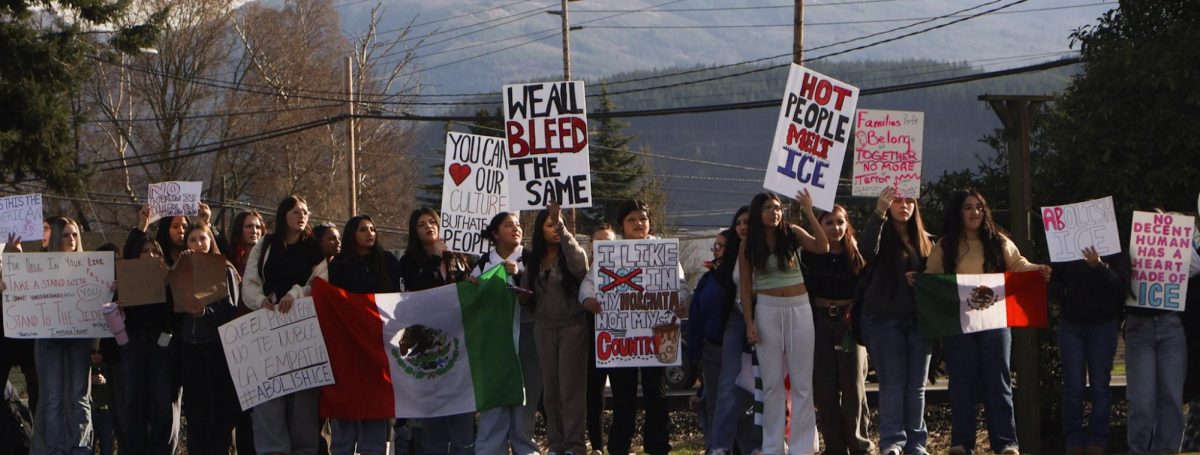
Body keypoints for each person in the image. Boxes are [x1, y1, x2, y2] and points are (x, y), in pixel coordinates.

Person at [922, 189, 1051, 455]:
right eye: (968, 207)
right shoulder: (945, 246)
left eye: (979, 207)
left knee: (998, 381)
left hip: (995, 322)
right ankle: (961, 443)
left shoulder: (998, 241)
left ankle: (1006, 444)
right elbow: (931, 277)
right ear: (959, 212)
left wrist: (1036, 270)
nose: (975, 212)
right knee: (961, 383)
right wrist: (919, 281)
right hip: (960, 324)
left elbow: (1017, 264)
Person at [580, 200, 689, 455]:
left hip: (658, 334)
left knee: (657, 395)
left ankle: (658, 447)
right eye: (632, 219)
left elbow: (681, 283)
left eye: (643, 218)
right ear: (622, 224)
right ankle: (619, 448)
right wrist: (589, 300)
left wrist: (683, 301)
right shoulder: (610, 253)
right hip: (621, 338)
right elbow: (588, 284)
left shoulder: (663, 251)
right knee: (623, 398)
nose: (639, 224)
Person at [738, 191, 828, 455]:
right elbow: (745, 287)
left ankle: (802, 448)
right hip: (767, 310)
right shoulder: (748, 244)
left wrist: (810, 211)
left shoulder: (792, 232)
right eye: (768, 208)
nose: (774, 212)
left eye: (777, 207)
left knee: (802, 382)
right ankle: (773, 447)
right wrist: (749, 323)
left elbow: (822, 246)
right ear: (757, 212)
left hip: (799, 308)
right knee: (772, 384)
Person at [243, 195, 326, 455]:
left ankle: (304, 450)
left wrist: (297, 294)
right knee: (269, 398)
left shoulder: (314, 248)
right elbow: (249, 282)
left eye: (305, 211)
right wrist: (260, 301)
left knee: (303, 401)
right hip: (269, 327)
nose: (301, 215)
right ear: (283, 215)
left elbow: (321, 282)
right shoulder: (266, 245)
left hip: (304, 329)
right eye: (295, 211)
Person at [859, 188, 934, 455]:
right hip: (883, 320)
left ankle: (916, 444)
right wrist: (879, 210)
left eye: (909, 201)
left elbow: (936, 277)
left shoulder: (925, 240)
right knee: (892, 384)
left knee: (916, 387)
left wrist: (922, 279)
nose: (904, 205)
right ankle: (892, 442)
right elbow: (864, 251)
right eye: (898, 201)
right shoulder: (881, 233)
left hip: (918, 322)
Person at [398, 207, 475, 455]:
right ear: (414, 231)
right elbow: (419, 291)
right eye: (422, 224)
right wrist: (434, 258)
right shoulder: (409, 261)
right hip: (428, 347)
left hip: (460, 345)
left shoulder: (459, 258)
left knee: (461, 411)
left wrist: (470, 282)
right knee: (434, 416)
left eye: (433, 221)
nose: (429, 226)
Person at [321, 215, 399, 455]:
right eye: (363, 229)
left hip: (378, 347)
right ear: (352, 234)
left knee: (375, 407)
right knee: (346, 406)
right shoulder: (339, 265)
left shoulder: (387, 261)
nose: (370, 233)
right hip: (348, 348)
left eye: (373, 229)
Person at [1124, 212, 1197, 454]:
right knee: (1142, 401)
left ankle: (1165, 450)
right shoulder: (1132, 251)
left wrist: (1179, 244)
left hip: (1171, 327)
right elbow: (1118, 278)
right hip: (1139, 328)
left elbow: (1196, 267)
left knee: (1171, 397)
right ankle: (1139, 449)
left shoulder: (1183, 249)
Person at [803, 204, 872, 455]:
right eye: (829, 223)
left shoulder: (856, 252)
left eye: (840, 222)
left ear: (848, 224)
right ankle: (834, 447)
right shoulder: (810, 254)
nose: (836, 228)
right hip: (819, 323)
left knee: (853, 386)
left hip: (849, 324)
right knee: (824, 388)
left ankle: (860, 445)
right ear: (819, 226)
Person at [522, 202, 589, 455]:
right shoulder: (534, 261)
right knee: (550, 393)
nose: (553, 230)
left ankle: (574, 446)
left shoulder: (571, 254)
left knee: (570, 391)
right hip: (543, 329)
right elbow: (528, 294)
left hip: (572, 328)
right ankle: (556, 444)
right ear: (540, 230)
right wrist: (522, 295)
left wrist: (561, 225)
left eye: (556, 226)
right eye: (549, 226)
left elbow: (580, 266)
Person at [1050, 242, 1129, 455]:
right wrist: (1064, 292)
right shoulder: (1065, 244)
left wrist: (1099, 266)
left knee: (1100, 387)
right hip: (1071, 325)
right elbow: (1053, 282)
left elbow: (1121, 288)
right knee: (1073, 386)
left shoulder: (1113, 245)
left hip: (1103, 325)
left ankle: (1097, 441)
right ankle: (1074, 441)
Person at [472, 212, 540, 455]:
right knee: (496, 398)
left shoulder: (532, 259)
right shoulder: (481, 264)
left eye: (518, 224)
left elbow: (542, 294)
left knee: (525, 397)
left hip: (528, 337)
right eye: (508, 225)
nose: (516, 229)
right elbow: (473, 302)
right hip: (494, 343)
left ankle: (525, 448)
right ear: (495, 233)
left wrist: (520, 276)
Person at [31, 217, 98, 455]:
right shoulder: (40, 266)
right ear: (57, 237)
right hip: (49, 336)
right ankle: (56, 449)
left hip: (80, 336)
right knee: (52, 397)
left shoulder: (91, 266)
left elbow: (97, 299)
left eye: (75, 235)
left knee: (79, 396)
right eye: (67, 235)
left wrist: (108, 288)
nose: (71, 239)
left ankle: (80, 448)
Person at [119, 205, 181, 455]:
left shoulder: (168, 280)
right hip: (134, 345)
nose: (149, 255)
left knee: (160, 404)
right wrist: (142, 226)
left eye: (154, 251)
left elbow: (176, 313)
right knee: (134, 402)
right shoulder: (128, 279)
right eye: (144, 251)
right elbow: (127, 250)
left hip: (160, 346)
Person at [175, 223, 242, 455]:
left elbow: (231, 311)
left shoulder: (224, 268)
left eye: (202, 239)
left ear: (210, 241)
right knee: (195, 409)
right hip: (189, 347)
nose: (198, 244)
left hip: (215, 348)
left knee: (218, 410)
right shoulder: (181, 270)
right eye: (192, 240)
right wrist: (176, 267)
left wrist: (207, 313)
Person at [709, 206, 762, 455]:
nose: (743, 226)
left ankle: (762, 444)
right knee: (728, 385)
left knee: (764, 384)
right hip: (735, 320)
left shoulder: (768, 249)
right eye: (739, 222)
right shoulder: (730, 255)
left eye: (748, 222)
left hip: (766, 318)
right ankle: (720, 446)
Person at [686, 229, 739, 452]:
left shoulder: (739, 278)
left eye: (721, 246)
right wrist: (695, 355)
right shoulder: (708, 279)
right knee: (714, 405)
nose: (716, 250)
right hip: (712, 351)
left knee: (738, 406)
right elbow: (696, 318)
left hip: (739, 351)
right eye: (714, 246)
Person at [585, 224, 616, 455]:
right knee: (594, 395)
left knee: (623, 395)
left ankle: (617, 444)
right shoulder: (584, 269)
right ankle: (597, 445)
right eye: (600, 242)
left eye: (609, 242)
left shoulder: (628, 264)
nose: (605, 246)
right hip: (593, 340)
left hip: (623, 342)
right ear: (591, 246)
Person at [225, 210, 265, 276]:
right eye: (249, 226)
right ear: (239, 229)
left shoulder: (267, 259)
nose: (254, 231)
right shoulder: (231, 261)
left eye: (258, 227)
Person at [90, 350, 114, 455]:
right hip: (91, 413)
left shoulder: (109, 367)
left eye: (99, 352)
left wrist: (105, 381)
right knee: (88, 448)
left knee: (107, 448)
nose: (96, 355)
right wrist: (89, 380)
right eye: (93, 352)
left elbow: (116, 388)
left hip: (106, 413)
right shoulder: (85, 368)